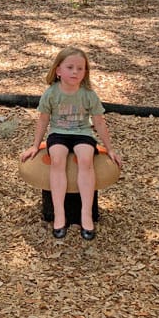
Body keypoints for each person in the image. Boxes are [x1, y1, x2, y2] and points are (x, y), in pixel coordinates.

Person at [21, 47, 122, 240]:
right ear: (58, 70)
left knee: (85, 158)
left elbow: (99, 121)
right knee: (57, 158)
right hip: (59, 132)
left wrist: (110, 149)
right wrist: (35, 145)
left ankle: (86, 214)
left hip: (82, 132)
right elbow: (43, 120)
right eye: (70, 67)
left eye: (80, 68)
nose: (75, 72)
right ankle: (60, 213)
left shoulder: (88, 94)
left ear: (85, 72)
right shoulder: (51, 93)